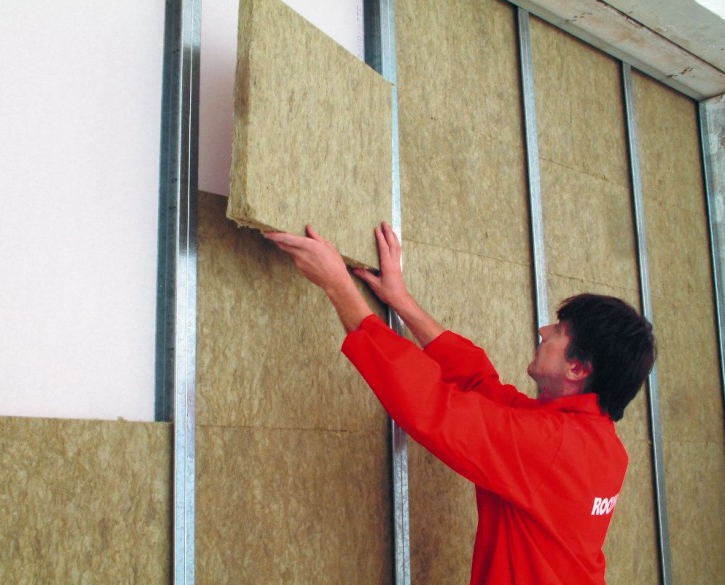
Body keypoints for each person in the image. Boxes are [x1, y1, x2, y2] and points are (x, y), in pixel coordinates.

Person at [264, 222, 656, 585]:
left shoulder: (552, 446)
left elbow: (431, 406)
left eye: (559, 331)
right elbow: (479, 385)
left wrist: (339, 287)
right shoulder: (594, 443)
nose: (544, 330)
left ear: (576, 368)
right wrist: (401, 301)